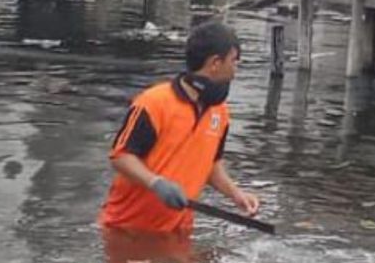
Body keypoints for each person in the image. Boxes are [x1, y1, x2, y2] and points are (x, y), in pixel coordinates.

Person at [101, 20, 261, 234]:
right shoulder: (154, 103)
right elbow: (121, 156)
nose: (235, 71)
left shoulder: (220, 112)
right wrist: (155, 183)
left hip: (178, 231)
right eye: (234, 61)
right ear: (215, 63)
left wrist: (236, 195)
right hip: (127, 229)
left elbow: (210, 165)